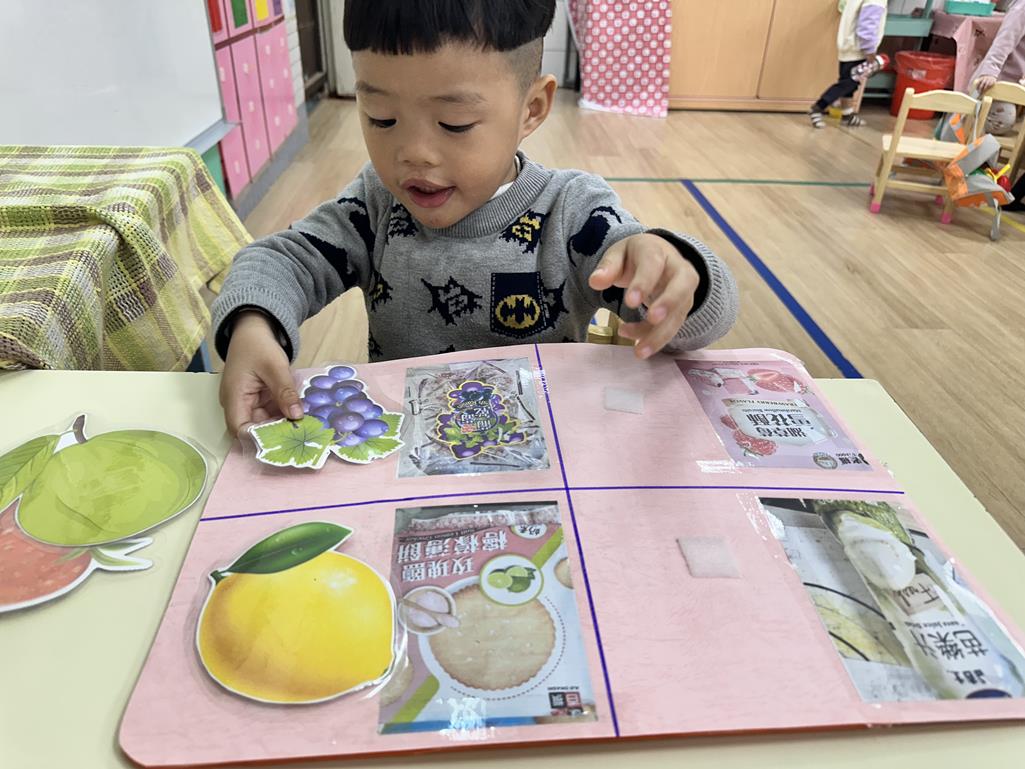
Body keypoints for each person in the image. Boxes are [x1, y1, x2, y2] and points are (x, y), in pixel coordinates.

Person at [211, 0, 739, 436]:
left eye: (454, 123)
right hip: (407, 445)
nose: (413, 153)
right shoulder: (375, 206)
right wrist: (253, 325)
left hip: (540, 454)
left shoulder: (574, 214)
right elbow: (284, 260)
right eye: (381, 118)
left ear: (531, 109)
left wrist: (677, 272)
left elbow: (693, 322)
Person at [809, 0, 888, 129]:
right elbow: (868, 26)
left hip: (847, 46)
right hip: (857, 49)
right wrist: (869, 50)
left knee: (850, 84)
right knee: (847, 83)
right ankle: (818, 107)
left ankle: (847, 115)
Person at [972, 1, 1025, 137]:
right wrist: (990, 71)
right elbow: (1004, 40)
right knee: (1001, 120)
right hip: (998, 80)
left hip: (1018, 84)